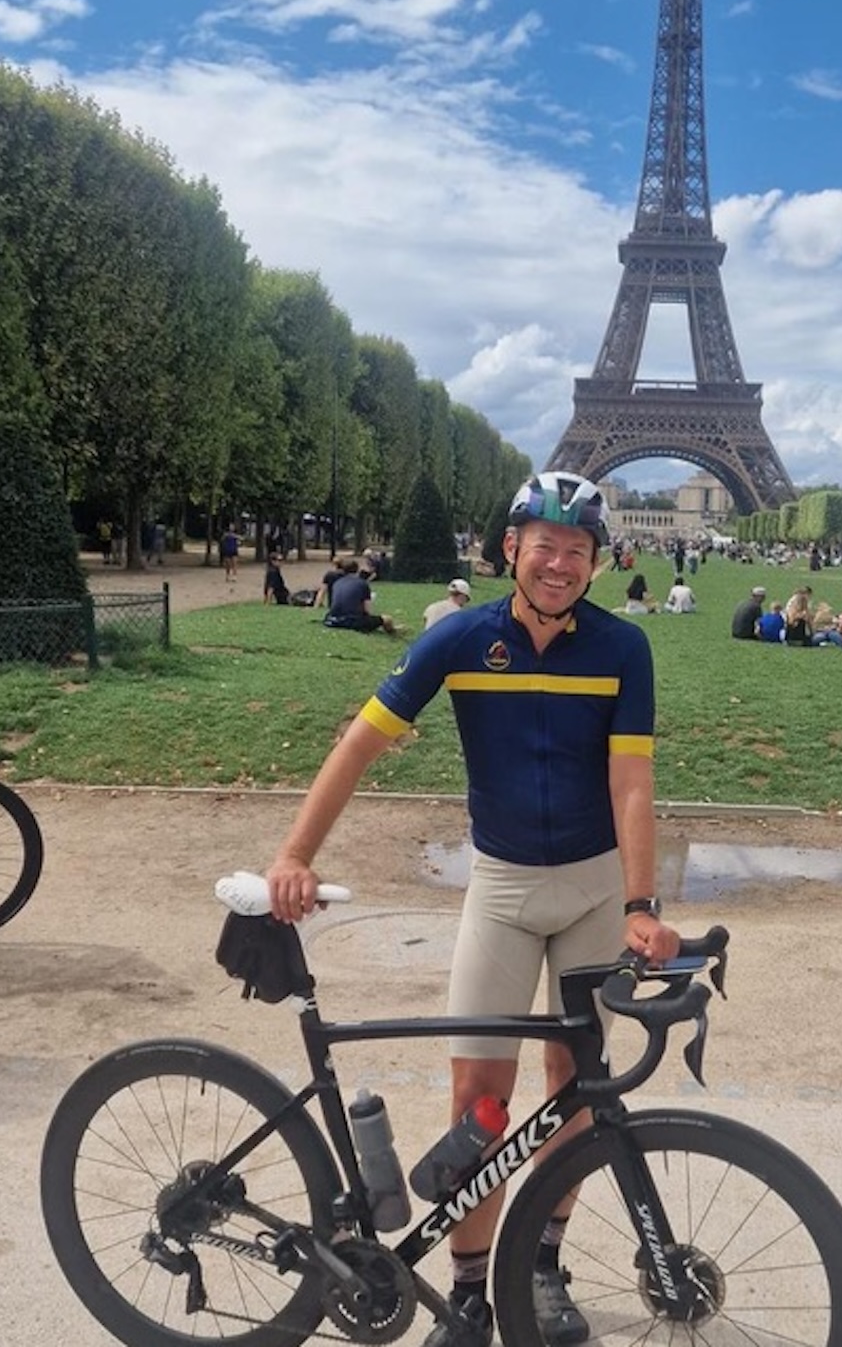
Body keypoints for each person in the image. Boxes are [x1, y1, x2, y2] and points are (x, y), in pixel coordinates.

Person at [266, 471, 679, 1347]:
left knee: (574, 1097)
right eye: (545, 547)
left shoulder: (622, 650)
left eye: (578, 551)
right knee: (477, 1102)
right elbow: (362, 742)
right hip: (502, 888)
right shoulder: (459, 639)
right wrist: (296, 853)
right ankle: (467, 1291)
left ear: (598, 565)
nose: (559, 564)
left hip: (596, 889)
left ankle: (542, 1267)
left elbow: (632, 782)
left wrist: (643, 902)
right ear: (510, 552)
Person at [322, 563, 398, 633]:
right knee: (387, 619)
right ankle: (394, 631)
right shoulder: (362, 583)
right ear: (357, 571)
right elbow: (367, 610)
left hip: (331, 620)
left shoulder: (337, 582)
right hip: (352, 621)